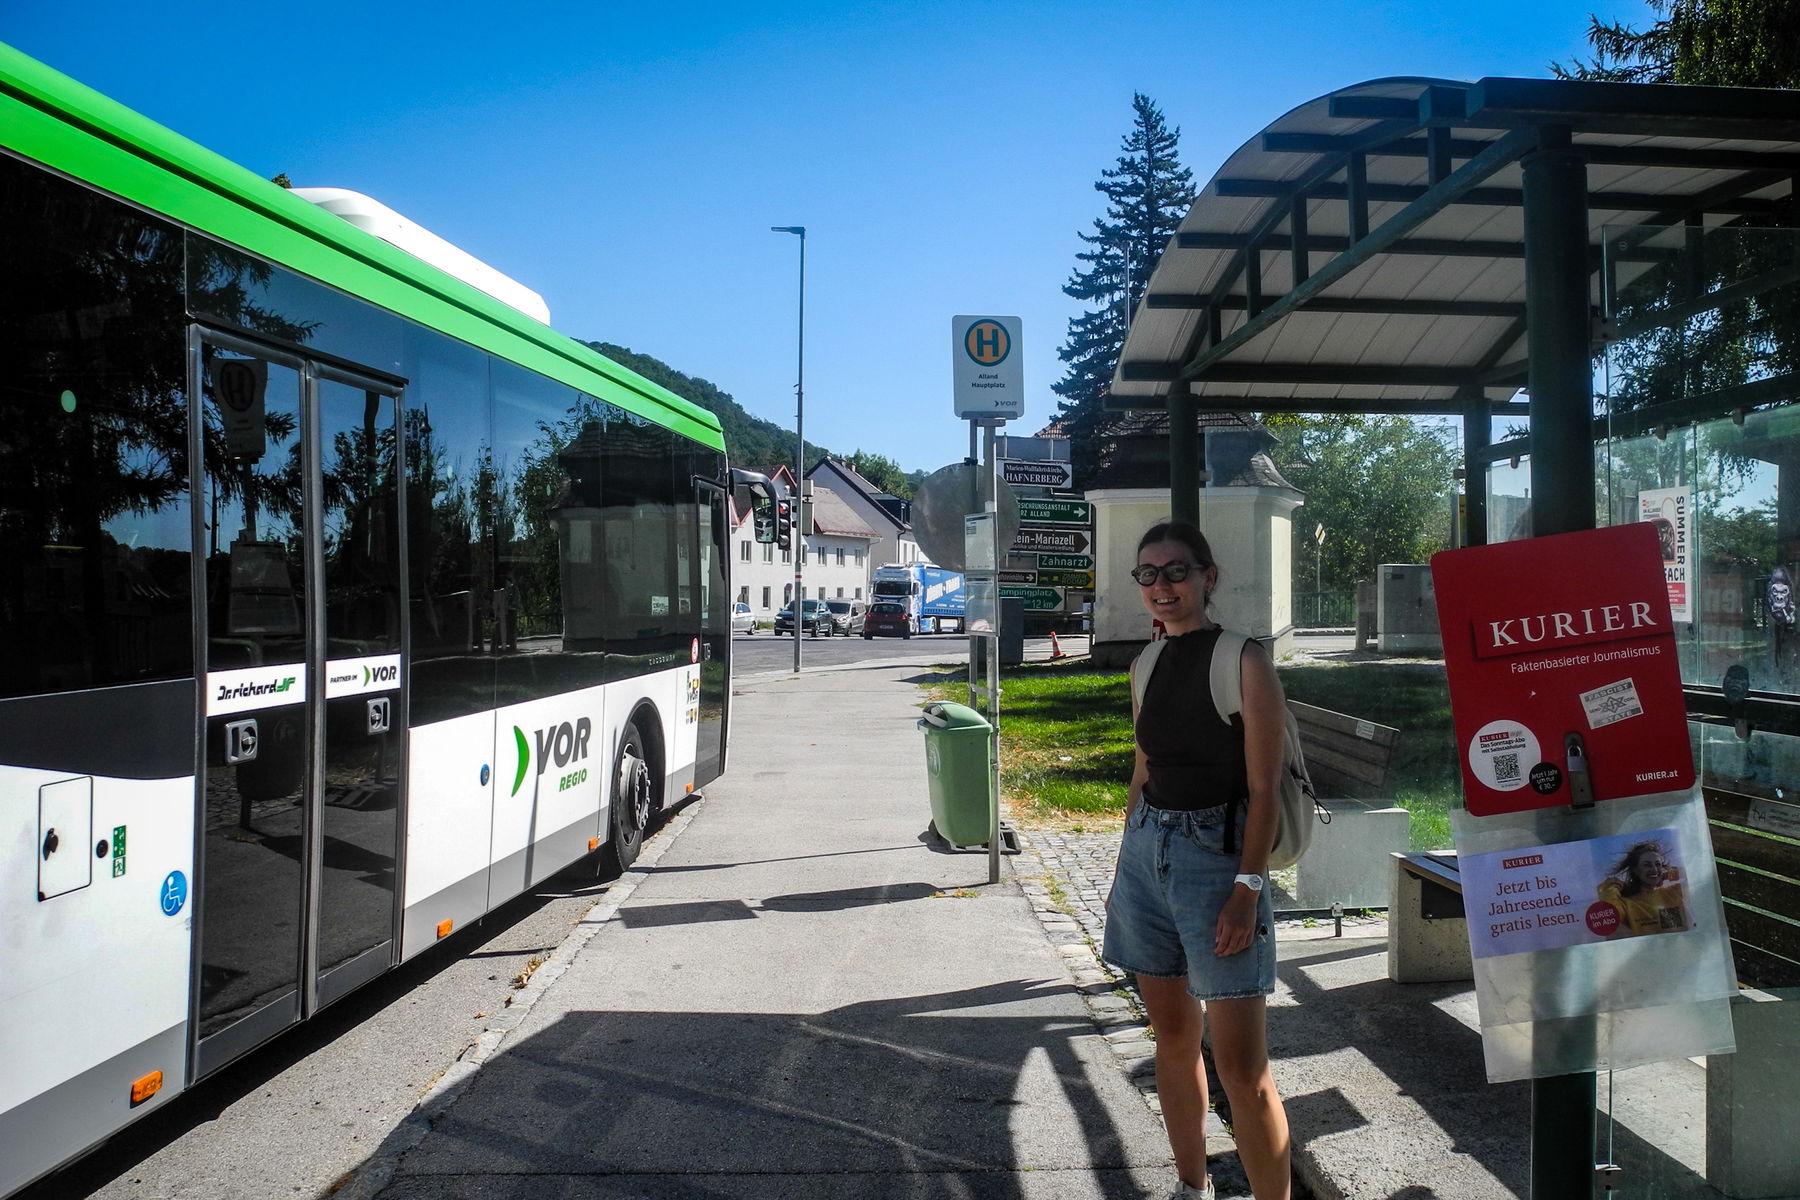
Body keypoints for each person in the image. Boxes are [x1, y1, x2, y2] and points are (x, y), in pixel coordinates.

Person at [1103, 521, 1292, 1200]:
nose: (1162, 586)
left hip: (1218, 861)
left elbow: (1266, 790)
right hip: (1147, 855)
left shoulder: (1244, 660)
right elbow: (1143, 770)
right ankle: (1192, 1186)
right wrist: (1124, 869)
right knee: (1173, 1038)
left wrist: (1247, 889)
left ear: (1208, 577)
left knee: (1242, 1067)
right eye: (1148, 574)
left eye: (1177, 571)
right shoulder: (1146, 663)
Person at [1596, 840, 1689, 937]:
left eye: (1658, 864)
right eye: (1647, 865)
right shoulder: (1626, 903)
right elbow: (1609, 918)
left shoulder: (1674, 892)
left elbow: (1694, 875)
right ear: (1636, 870)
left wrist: (1669, 874)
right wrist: (1616, 885)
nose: (1654, 869)